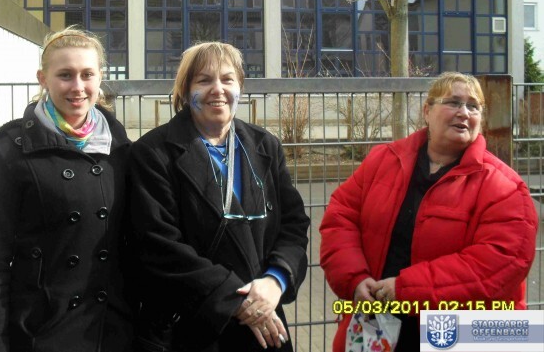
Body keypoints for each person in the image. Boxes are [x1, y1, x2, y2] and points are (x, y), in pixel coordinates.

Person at [319, 72, 538, 352]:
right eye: (454, 102)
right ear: (427, 111)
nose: (464, 112)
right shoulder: (383, 160)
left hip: (459, 334)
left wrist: (407, 289)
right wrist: (355, 278)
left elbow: (499, 263)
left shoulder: (505, 186)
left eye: (473, 106)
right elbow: (340, 218)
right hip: (377, 322)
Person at [129, 42, 310, 352]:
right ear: (185, 90)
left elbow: (293, 225)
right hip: (196, 326)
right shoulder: (153, 153)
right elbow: (158, 244)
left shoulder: (265, 145)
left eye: (228, 79)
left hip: (264, 319)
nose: (218, 89)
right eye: (204, 80)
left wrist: (275, 280)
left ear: (240, 87)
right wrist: (233, 300)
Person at [0, 27, 133, 352]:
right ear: (43, 79)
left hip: (112, 330)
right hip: (42, 331)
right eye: (65, 75)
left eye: (87, 74)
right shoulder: (10, 152)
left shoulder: (121, 148)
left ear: (100, 78)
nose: (78, 87)